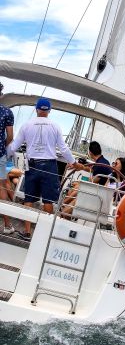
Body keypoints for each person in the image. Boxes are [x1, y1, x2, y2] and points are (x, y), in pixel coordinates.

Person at [7, 97, 81, 241]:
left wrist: (4, 154)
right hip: (49, 166)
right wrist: (74, 162)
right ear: (49, 111)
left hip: (32, 165)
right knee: (48, 201)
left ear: (36, 109)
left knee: (29, 198)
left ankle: (27, 232)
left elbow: (14, 147)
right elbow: (63, 148)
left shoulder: (26, 125)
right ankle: (47, 234)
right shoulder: (55, 126)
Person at [0, 82, 14, 234]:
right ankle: (7, 226)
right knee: (2, 186)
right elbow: (10, 136)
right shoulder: (6, 112)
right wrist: (2, 146)